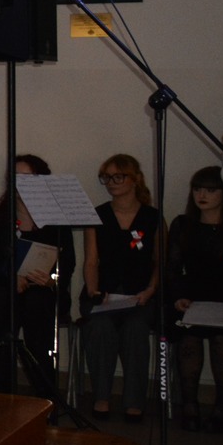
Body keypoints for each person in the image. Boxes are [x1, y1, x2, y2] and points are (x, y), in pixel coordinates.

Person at [0, 155, 76, 396]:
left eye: (28, 177)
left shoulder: (56, 219)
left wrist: (52, 280)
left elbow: (67, 263)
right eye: (16, 177)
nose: (21, 183)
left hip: (43, 288)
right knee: (2, 306)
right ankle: (2, 393)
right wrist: (10, 278)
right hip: (4, 287)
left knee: (38, 305)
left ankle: (45, 395)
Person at [81, 153, 163, 422]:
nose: (111, 183)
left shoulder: (153, 217)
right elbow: (91, 261)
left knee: (136, 328)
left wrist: (150, 290)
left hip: (140, 295)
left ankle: (134, 402)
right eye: (106, 178)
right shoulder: (97, 215)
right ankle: (101, 397)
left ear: (135, 179)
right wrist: (94, 292)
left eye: (118, 177)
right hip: (103, 293)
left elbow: (160, 262)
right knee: (100, 326)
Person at [167, 166, 223, 432]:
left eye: (210, 189)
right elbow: (173, 267)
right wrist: (178, 297)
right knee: (189, 339)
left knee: (222, 341)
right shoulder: (183, 224)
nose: (202, 195)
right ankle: (189, 405)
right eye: (197, 189)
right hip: (192, 299)